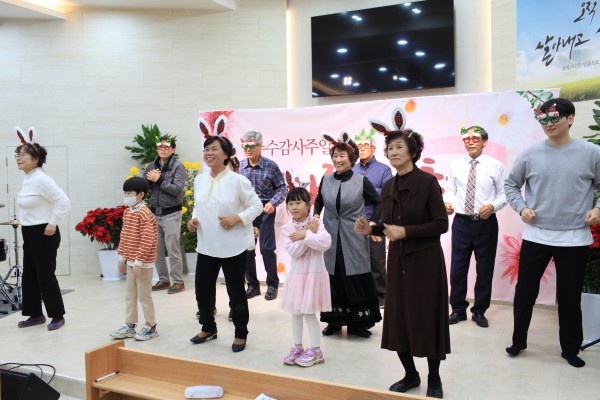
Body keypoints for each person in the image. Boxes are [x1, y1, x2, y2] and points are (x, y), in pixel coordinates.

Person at [504, 98, 600, 368]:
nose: (548, 123)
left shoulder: (592, 153)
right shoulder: (530, 154)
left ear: (570, 119)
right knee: (525, 292)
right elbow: (511, 185)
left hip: (575, 237)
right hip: (537, 235)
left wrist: (598, 208)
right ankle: (518, 341)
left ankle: (570, 348)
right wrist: (522, 208)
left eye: (554, 117)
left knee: (569, 296)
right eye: (543, 119)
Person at [355, 129, 449, 399]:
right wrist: (372, 228)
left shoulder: (428, 182)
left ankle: (434, 377)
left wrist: (406, 232)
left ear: (413, 152)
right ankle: (410, 374)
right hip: (397, 260)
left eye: (398, 147)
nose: (393, 152)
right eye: (390, 148)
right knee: (398, 318)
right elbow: (388, 224)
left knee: (427, 318)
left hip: (426, 261)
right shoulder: (388, 187)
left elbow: (441, 224)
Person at [189, 132, 262, 353]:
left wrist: (237, 218)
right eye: (206, 149)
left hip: (233, 247)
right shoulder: (200, 180)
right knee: (202, 290)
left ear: (226, 154)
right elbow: (198, 206)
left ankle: (241, 333)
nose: (208, 153)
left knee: (236, 292)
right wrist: (194, 220)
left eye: (214, 149)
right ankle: (208, 327)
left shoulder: (238, 181)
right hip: (207, 245)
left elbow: (256, 206)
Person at [315, 133, 382, 338]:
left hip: (354, 237)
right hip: (330, 237)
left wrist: (372, 222)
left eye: (342, 156)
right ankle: (334, 321)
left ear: (351, 159)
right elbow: (319, 200)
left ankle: (358, 324)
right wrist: (316, 214)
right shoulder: (326, 179)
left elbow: (378, 202)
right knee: (333, 277)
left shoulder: (361, 181)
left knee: (355, 277)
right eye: (335, 155)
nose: (338, 159)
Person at [444, 126, 507, 328]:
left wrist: (493, 206)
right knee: (458, 268)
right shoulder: (456, 164)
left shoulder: (496, 166)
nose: (470, 142)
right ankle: (457, 309)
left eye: (476, 138)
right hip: (461, 222)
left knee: (484, 269)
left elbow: (504, 194)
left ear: (485, 142)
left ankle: (479, 311)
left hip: (486, 222)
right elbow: (450, 190)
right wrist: (448, 202)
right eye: (466, 139)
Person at [14, 129, 71, 331]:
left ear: (35, 159)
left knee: (45, 274)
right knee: (29, 274)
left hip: (45, 233)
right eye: (17, 154)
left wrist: (52, 222)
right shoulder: (28, 178)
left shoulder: (41, 179)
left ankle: (57, 315)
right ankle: (35, 314)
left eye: (23, 154)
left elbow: (63, 201)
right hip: (29, 232)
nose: (18, 158)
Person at [280, 187, 332, 367]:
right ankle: (297, 348)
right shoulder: (287, 228)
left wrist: (305, 234)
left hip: (314, 275)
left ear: (309, 205)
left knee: (309, 314)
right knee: (295, 314)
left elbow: (325, 243)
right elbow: (294, 251)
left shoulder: (317, 223)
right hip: (296, 276)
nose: (294, 207)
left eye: (298, 203)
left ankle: (316, 351)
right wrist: (309, 236)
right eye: (290, 204)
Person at [239, 131, 287, 301]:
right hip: (247, 212)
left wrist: (273, 203)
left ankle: (272, 284)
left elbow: (282, 188)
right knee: (247, 249)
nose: (247, 149)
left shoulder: (270, 166)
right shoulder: (239, 166)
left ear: (260, 146)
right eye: (244, 145)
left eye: (251, 145)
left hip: (265, 210)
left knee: (266, 248)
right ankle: (253, 285)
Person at [110, 177, 159, 341]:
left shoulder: (144, 213)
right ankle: (130, 325)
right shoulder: (128, 212)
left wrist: (139, 262)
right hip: (131, 261)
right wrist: (121, 257)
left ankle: (151, 327)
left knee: (144, 296)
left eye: (129, 193)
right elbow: (124, 235)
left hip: (142, 263)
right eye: (125, 192)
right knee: (130, 295)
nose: (126, 196)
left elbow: (148, 239)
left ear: (140, 195)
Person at [352, 129, 392, 308]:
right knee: (355, 260)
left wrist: (364, 188)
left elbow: (386, 195)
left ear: (374, 149)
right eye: (359, 145)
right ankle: (360, 294)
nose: (362, 147)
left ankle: (381, 296)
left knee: (376, 261)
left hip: (375, 220)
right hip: (353, 221)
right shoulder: (351, 169)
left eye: (366, 145)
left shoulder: (384, 170)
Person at [145, 134, 187, 294]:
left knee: (172, 249)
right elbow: (144, 187)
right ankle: (163, 280)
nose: (163, 149)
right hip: (154, 214)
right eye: (160, 146)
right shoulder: (151, 166)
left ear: (173, 149)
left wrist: (159, 179)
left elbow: (177, 190)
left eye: (167, 146)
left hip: (171, 213)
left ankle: (178, 282)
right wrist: (148, 181)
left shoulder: (178, 167)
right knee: (156, 250)